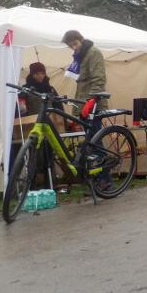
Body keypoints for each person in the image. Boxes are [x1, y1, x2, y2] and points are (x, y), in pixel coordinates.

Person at [62, 30, 111, 188]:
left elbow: (99, 79)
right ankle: (97, 178)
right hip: (84, 104)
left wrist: (92, 101)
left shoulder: (93, 53)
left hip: (93, 105)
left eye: (75, 44)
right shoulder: (80, 56)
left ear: (81, 40)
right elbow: (82, 85)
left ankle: (105, 179)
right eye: (71, 46)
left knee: (95, 142)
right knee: (91, 143)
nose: (74, 48)